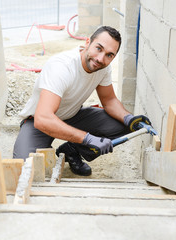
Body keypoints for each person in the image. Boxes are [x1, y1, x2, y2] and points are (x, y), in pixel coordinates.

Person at [13, 26, 151, 176]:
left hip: (73, 116)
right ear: (87, 42)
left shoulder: (103, 68)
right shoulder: (61, 67)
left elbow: (109, 100)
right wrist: (87, 138)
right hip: (38, 123)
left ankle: (72, 150)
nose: (100, 58)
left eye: (109, 55)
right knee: (25, 168)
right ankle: (76, 142)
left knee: (123, 126)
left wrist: (129, 118)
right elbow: (43, 118)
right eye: (98, 48)